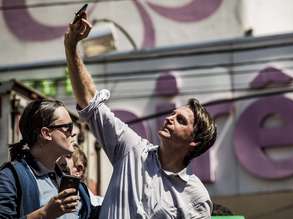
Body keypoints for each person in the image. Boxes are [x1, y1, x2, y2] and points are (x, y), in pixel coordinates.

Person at [64, 12, 217, 218]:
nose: (169, 118)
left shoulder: (196, 198)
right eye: (173, 114)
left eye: (180, 120)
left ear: (194, 142)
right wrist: (71, 47)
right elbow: (91, 102)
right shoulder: (132, 149)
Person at [0, 99, 92, 219]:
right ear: (46, 133)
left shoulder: (74, 184)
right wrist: (45, 214)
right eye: (68, 127)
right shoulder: (9, 177)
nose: (73, 133)